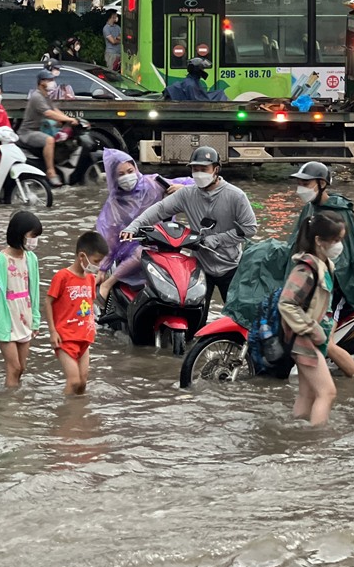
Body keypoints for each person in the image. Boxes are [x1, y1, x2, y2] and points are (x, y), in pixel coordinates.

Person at [121, 146, 258, 309]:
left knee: (237, 315)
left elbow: (250, 228)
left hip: (231, 266)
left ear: (216, 169)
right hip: (200, 266)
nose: (199, 173)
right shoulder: (187, 194)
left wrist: (216, 240)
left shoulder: (236, 196)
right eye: (195, 169)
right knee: (194, 312)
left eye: (204, 169)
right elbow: (160, 209)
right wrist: (133, 227)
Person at [288, 162, 354, 379]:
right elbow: (296, 242)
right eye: (299, 183)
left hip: (338, 284)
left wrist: (327, 273)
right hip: (313, 278)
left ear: (322, 184)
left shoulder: (340, 211)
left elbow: (349, 253)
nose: (301, 188)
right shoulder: (310, 208)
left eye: (306, 183)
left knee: (327, 343)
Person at [95, 148, 189, 302]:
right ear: (113, 178)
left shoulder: (154, 183)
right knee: (143, 252)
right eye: (121, 174)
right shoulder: (115, 202)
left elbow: (193, 186)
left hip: (164, 239)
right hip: (132, 245)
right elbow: (111, 237)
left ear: (136, 169)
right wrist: (103, 268)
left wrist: (183, 189)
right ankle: (109, 284)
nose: (127, 177)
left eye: (130, 171)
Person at [279, 211, 347, 426]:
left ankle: (297, 435)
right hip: (304, 340)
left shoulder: (324, 265)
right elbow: (287, 303)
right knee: (327, 393)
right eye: (335, 240)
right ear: (319, 241)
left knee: (307, 394)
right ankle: (317, 443)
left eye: (340, 240)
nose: (339, 245)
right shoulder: (306, 269)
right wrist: (311, 328)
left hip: (309, 338)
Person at [0, 211, 42, 388]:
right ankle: (10, 408)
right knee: (14, 367)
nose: (34, 240)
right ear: (19, 233)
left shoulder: (31, 259)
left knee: (21, 368)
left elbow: (34, 291)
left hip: (25, 316)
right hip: (5, 319)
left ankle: (15, 401)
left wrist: (35, 320)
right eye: (32, 236)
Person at [47, 230, 110, 395]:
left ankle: (78, 416)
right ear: (82, 256)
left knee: (82, 383)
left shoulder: (90, 279)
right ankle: (64, 415)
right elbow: (48, 302)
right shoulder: (62, 276)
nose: (98, 265)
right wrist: (53, 332)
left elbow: (89, 305)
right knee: (74, 381)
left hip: (84, 338)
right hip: (65, 338)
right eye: (96, 261)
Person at [18, 69, 79, 187]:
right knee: (49, 140)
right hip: (28, 133)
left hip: (37, 130)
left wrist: (67, 119)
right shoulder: (37, 96)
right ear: (41, 82)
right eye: (50, 80)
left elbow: (54, 110)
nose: (53, 82)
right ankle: (51, 171)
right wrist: (68, 120)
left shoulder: (45, 96)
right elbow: (48, 113)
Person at [163, 57, 228, 102]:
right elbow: (198, 101)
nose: (203, 70)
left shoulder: (193, 81)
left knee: (220, 92)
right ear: (197, 70)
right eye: (202, 68)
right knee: (220, 94)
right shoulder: (191, 85)